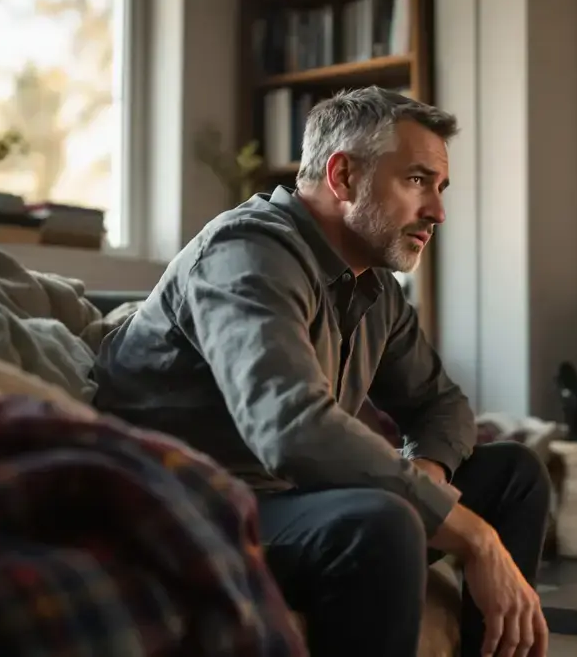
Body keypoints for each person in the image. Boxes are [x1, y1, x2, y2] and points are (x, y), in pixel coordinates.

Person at [92, 86, 551, 657]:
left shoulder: (373, 284)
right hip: (200, 504)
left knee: (514, 473)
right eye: (416, 180)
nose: (437, 210)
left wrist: (426, 478)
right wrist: (468, 532)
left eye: (439, 187)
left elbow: (442, 405)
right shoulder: (247, 253)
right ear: (343, 177)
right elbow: (291, 425)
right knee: (382, 522)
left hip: (290, 499)